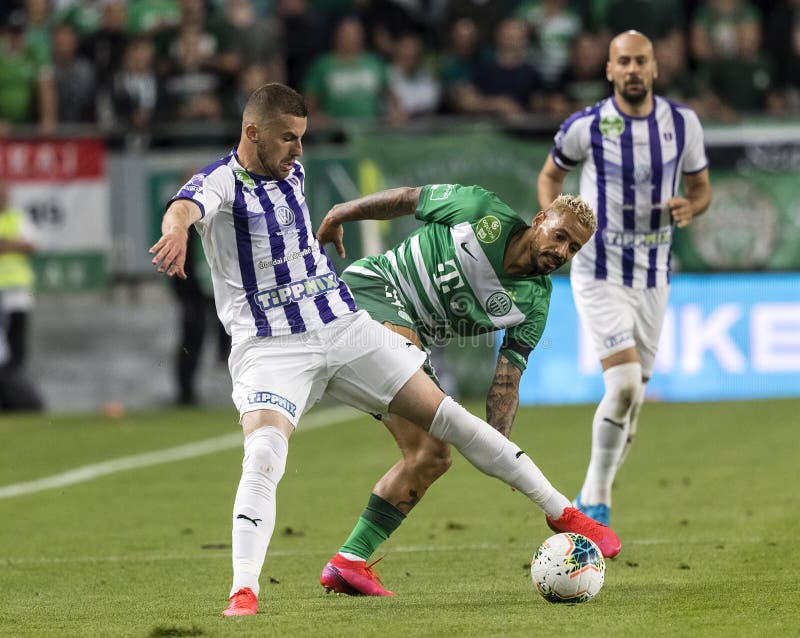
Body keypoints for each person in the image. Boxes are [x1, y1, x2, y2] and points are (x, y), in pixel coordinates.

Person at [149, 82, 621, 617]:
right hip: (295, 335)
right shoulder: (220, 183)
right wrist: (177, 231)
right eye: (288, 139)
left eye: (303, 139)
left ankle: (562, 514)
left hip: (342, 325)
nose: (299, 151)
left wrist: (497, 453)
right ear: (252, 132)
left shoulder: (293, 174)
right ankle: (244, 591)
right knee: (263, 455)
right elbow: (186, 206)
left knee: (446, 436)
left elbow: (506, 382)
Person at [314, 183, 596, 596]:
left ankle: (349, 561)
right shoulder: (480, 209)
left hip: (409, 338)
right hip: (376, 290)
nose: (562, 252)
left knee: (431, 456)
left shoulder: (534, 302)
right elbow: (409, 199)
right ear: (540, 220)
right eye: (560, 236)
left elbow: (506, 379)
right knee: (425, 400)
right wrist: (342, 212)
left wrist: (501, 454)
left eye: (573, 248)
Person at [536, 31, 712, 526]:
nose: (633, 69)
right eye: (623, 62)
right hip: (599, 271)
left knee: (631, 400)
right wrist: (555, 222)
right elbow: (551, 174)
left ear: (655, 67)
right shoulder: (586, 126)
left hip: (654, 276)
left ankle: (597, 491)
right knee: (627, 383)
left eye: (641, 61)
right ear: (609, 70)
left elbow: (702, 190)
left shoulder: (683, 124)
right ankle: (593, 502)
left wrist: (689, 206)